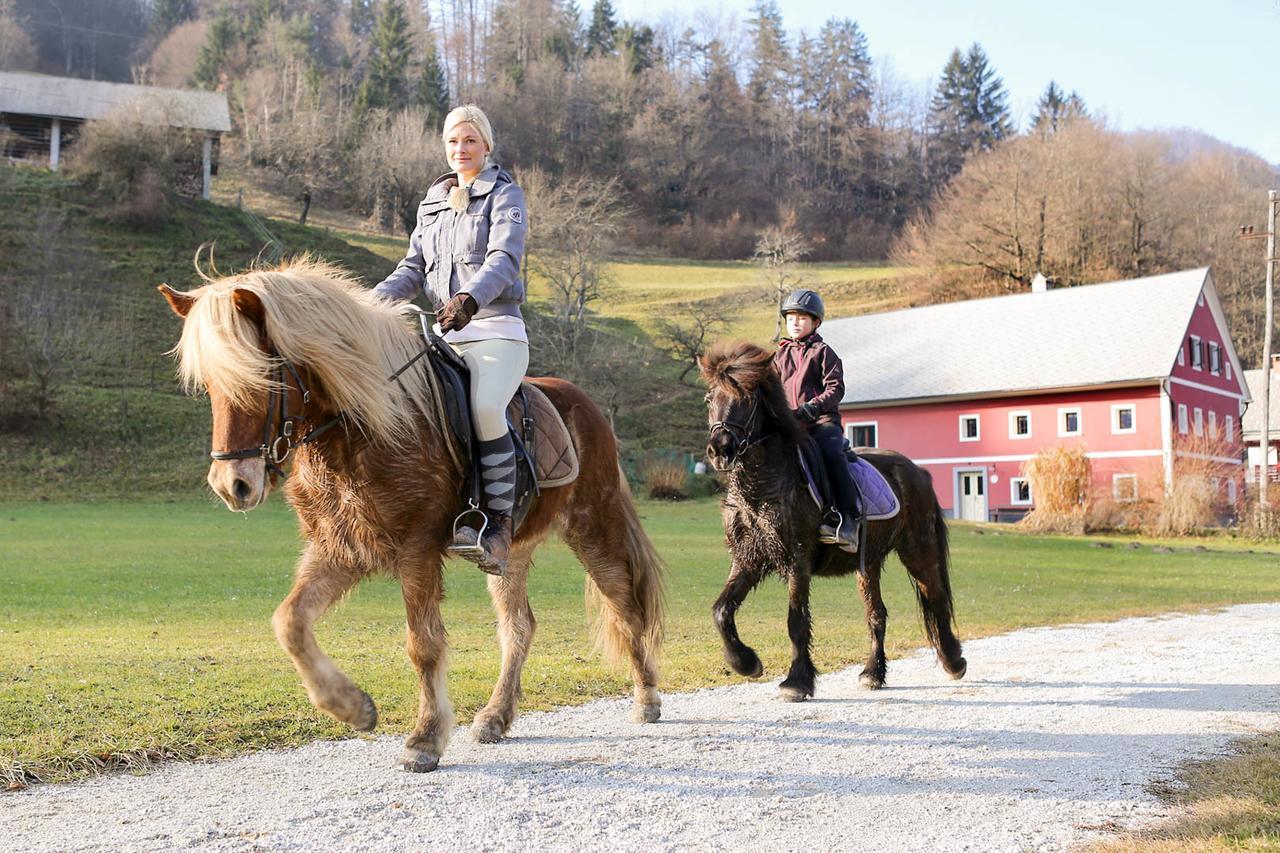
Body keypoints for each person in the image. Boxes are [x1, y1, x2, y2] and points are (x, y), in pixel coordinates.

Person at [373, 104, 528, 576]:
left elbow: (503, 260)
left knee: (483, 409)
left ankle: (497, 524)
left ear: (486, 145)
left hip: (494, 330)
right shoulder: (434, 200)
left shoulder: (505, 195)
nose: (461, 150)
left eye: (470, 141)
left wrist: (468, 298)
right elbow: (412, 269)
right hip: (442, 335)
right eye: (453, 142)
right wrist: (367, 305)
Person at [772, 289, 860, 551]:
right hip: (790, 426)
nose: (795, 322)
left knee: (832, 453)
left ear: (815, 322)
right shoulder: (779, 356)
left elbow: (836, 389)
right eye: (790, 318)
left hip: (821, 423)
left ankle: (848, 520)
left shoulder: (824, 352)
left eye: (801, 317)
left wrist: (812, 407)